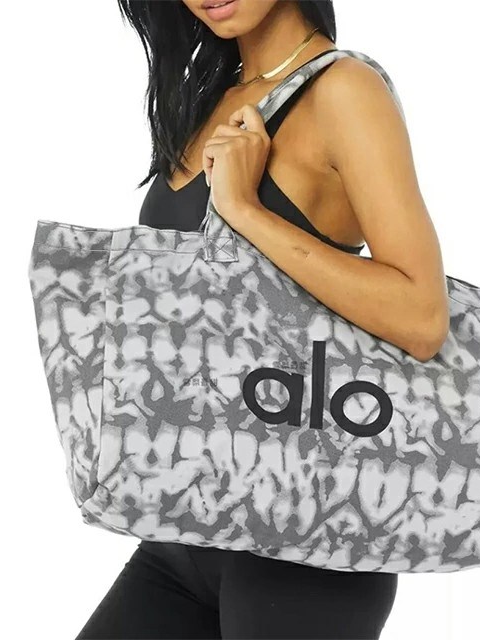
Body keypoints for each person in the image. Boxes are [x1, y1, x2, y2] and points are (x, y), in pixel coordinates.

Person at [76, 1, 449, 638]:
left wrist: (245, 211)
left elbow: (422, 314)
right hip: (187, 523)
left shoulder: (345, 90)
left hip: (308, 535)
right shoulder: (209, 95)